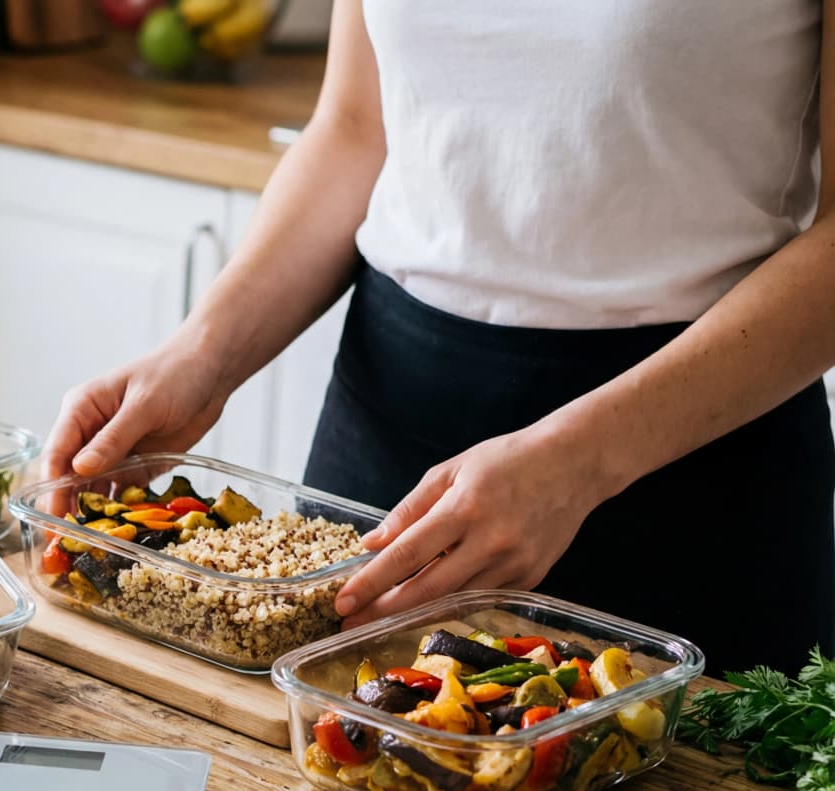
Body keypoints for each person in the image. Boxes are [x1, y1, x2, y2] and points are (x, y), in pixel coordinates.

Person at [43, 1, 835, 671]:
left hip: (688, 467)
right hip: (386, 440)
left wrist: (583, 460)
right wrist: (201, 356)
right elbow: (358, 130)